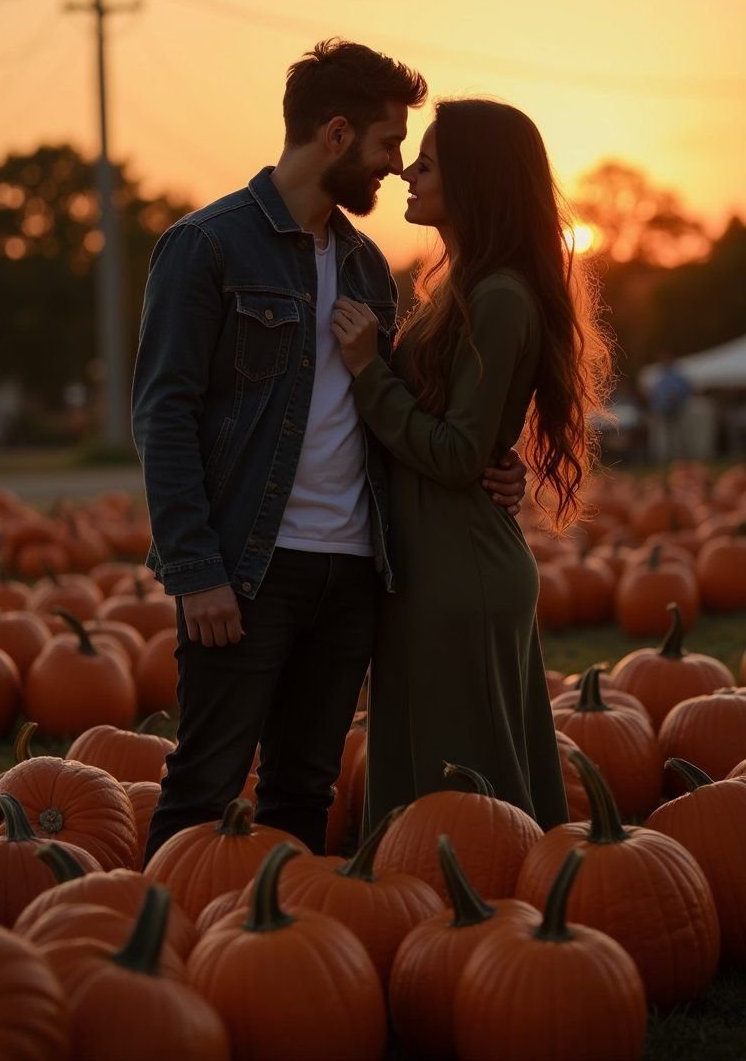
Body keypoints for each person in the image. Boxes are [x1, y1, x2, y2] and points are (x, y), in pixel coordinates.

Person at [132, 42, 527, 862]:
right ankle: (165, 936)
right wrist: (196, 570)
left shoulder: (366, 266)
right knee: (204, 784)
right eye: (389, 143)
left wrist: (495, 462)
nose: (397, 165)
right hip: (249, 569)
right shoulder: (207, 246)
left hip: (354, 572)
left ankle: (278, 935)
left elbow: (398, 410)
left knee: (305, 788)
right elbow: (163, 416)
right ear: (338, 135)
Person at [331, 99, 612, 832]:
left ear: (474, 180)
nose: (407, 173)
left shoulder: (499, 297)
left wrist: (367, 371)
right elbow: (469, 436)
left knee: (467, 808)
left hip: (461, 576)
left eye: (427, 163)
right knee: (436, 791)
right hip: (435, 565)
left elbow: (457, 454)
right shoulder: (461, 290)